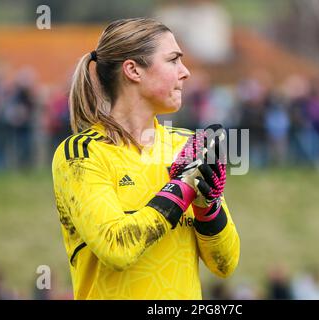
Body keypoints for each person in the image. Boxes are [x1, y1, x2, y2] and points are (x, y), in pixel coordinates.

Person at [51, 18, 240, 300]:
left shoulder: (186, 145)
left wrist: (207, 206)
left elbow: (224, 264)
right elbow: (117, 249)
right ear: (133, 70)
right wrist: (182, 188)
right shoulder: (81, 154)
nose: (185, 72)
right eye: (173, 60)